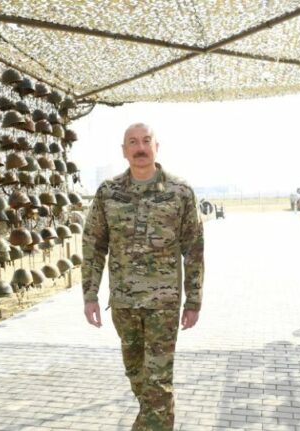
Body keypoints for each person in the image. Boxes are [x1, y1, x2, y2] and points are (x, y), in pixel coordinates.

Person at [82, 123, 204, 430]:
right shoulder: (108, 193)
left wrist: (194, 300)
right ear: (124, 151)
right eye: (133, 142)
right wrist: (90, 295)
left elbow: (194, 248)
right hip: (124, 304)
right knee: (137, 375)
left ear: (156, 147)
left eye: (146, 141)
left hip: (163, 305)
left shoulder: (180, 192)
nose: (140, 147)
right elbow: (94, 246)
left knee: (158, 381)